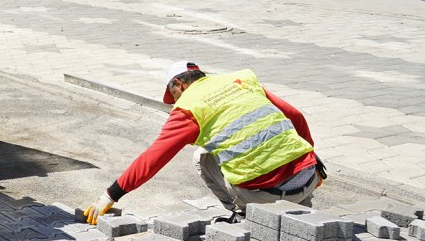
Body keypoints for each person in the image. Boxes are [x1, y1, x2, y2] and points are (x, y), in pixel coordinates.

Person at [84, 60, 325, 225]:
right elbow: (295, 116)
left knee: (202, 156)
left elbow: (153, 158)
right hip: (309, 176)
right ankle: (301, 211)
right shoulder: (238, 80)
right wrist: (314, 161)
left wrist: (110, 195)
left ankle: (244, 215)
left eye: (174, 96)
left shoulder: (189, 107)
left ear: (179, 84)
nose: (175, 102)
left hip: (265, 194)